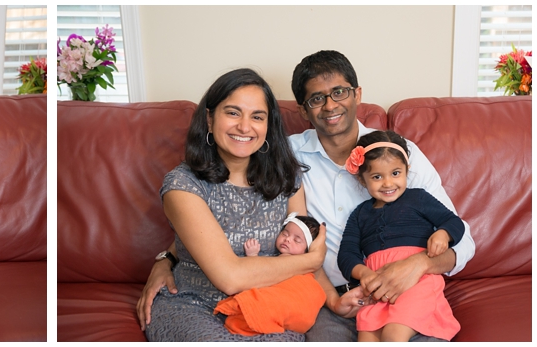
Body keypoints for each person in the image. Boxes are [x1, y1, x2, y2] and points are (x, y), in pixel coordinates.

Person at [138, 50, 476, 342]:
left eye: (340, 92)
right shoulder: (288, 159)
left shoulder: (399, 154)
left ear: (357, 94)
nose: (331, 105)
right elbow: (211, 222)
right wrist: (165, 259)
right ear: (303, 110)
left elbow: (461, 238)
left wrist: (419, 265)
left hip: (405, 292)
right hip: (326, 304)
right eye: (317, 98)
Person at [143, 68, 326, 342]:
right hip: (195, 306)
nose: (244, 126)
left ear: (268, 125)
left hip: (268, 307)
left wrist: (331, 298)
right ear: (209, 118)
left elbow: (301, 239)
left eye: (257, 116)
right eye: (232, 112)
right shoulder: (183, 185)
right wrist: (311, 260)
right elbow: (230, 277)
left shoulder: (287, 177)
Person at [337, 130, 463, 342]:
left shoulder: (419, 198)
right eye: (377, 177)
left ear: (407, 170)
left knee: (394, 336)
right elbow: (347, 255)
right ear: (362, 179)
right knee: (366, 340)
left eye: (396, 173)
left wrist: (443, 234)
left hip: (416, 282)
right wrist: (364, 274)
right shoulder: (359, 214)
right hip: (377, 288)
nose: (388, 183)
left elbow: (453, 222)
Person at [215, 213, 326, 336]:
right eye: (285, 233)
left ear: (308, 250)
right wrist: (253, 257)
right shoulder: (273, 261)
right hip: (273, 300)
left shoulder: (304, 267)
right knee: (261, 303)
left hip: (291, 301)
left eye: (297, 240)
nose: (287, 239)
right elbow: (260, 276)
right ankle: (256, 314)